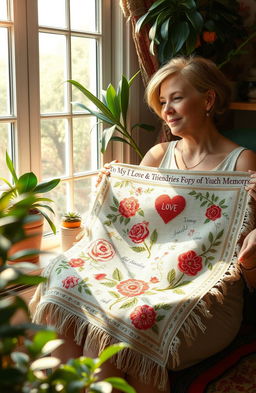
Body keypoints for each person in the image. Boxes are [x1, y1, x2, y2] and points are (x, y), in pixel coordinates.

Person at [46, 56, 256, 393]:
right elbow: (130, 230)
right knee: (65, 280)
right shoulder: (158, 156)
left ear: (208, 99)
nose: (166, 110)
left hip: (202, 302)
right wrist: (111, 193)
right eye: (162, 102)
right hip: (144, 281)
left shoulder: (241, 162)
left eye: (175, 98)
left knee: (113, 331)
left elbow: (245, 264)